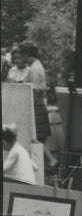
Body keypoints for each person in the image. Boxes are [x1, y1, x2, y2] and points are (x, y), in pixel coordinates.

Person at [17, 41, 57, 172]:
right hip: (38, 102)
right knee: (38, 138)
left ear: (28, 54)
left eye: (22, 55)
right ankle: (48, 163)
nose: (21, 59)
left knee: (35, 137)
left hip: (36, 103)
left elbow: (32, 90)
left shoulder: (34, 69)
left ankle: (51, 160)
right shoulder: (36, 66)